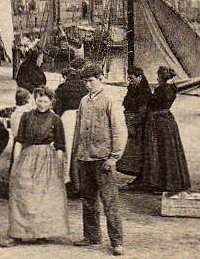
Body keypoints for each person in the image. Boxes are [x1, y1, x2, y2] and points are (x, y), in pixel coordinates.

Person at [0, 87, 69, 247]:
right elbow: (19, 140)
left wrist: (59, 167)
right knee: (22, 191)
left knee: (43, 195)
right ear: (34, 99)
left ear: (51, 102)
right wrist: (16, 163)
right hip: (28, 156)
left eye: (45, 101)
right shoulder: (26, 116)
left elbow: (60, 145)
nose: (42, 104)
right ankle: (17, 233)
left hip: (47, 159)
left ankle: (41, 232)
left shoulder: (55, 120)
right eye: (39, 100)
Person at [72, 64, 126, 256]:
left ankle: (117, 241)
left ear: (100, 78)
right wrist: (77, 155)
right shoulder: (84, 101)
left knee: (109, 201)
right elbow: (78, 130)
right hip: (85, 158)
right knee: (88, 200)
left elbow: (119, 130)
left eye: (91, 80)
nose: (87, 84)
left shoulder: (110, 100)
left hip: (103, 159)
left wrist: (114, 157)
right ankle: (92, 236)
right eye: (85, 81)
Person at [137, 66, 190, 194]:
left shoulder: (161, 90)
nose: (156, 78)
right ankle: (173, 181)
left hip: (158, 122)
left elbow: (152, 103)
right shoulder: (172, 89)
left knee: (159, 152)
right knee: (170, 151)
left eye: (158, 76)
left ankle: (162, 183)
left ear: (161, 77)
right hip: (168, 121)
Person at [117, 66, 151, 186]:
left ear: (140, 77)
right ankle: (139, 178)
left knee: (139, 152)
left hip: (140, 126)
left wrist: (133, 123)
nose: (130, 81)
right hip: (133, 124)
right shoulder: (133, 88)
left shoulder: (144, 91)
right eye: (129, 78)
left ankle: (141, 178)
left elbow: (143, 111)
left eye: (132, 78)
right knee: (135, 153)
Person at [54, 66, 87, 186]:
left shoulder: (62, 88)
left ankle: (65, 178)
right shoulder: (85, 87)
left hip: (67, 117)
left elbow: (58, 107)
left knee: (66, 148)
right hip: (82, 117)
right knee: (80, 149)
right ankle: (79, 180)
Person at [7, 87, 33, 173]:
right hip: (25, 141)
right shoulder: (28, 112)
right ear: (27, 100)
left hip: (16, 139)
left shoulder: (14, 113)